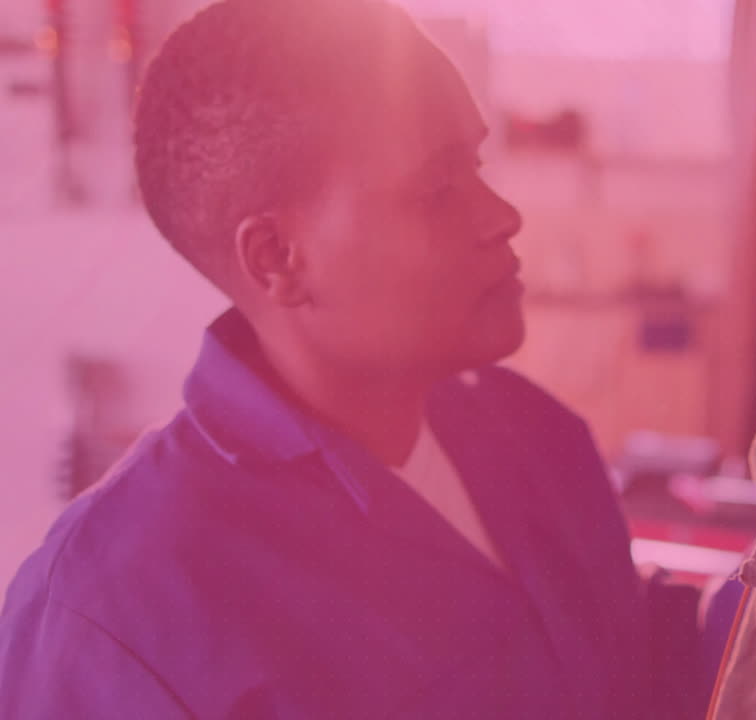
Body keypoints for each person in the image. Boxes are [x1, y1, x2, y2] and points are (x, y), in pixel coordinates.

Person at [0, 0, 719, 716]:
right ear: (279, 258)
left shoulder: (531, 435)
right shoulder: (115, 617)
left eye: (475, 164)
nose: (503, 215)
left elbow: (629, 658)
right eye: (439, 189)